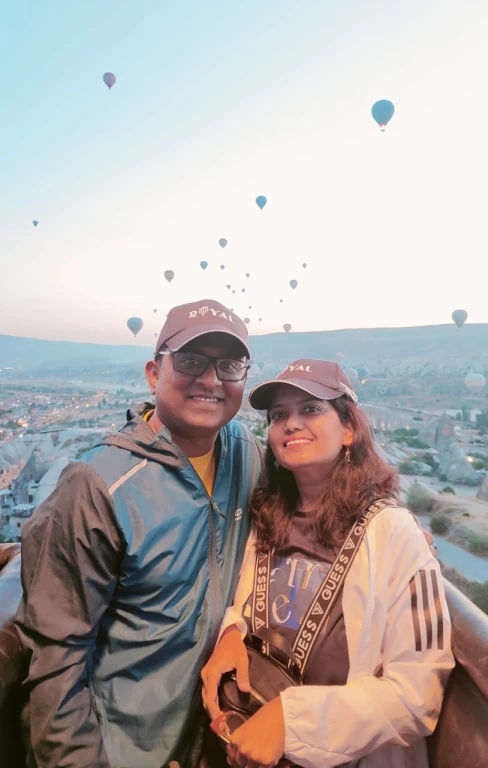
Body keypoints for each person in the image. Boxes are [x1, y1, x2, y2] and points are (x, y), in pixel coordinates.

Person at [15, 299, 263, 768]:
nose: (211, 380)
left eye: (229, 366)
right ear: (154, 373)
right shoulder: (96, 485)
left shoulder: (246, 453)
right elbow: (55, 663)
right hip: (119, 750)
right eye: (191, 361)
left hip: (204, 740)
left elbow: (304, 506)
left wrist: (381, 521)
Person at [201, 359, 454, 768]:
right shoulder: (269, 515)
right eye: (279, 415)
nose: (291, 424)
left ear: (349, 428)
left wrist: (292, 720)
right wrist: (232, 630)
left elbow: (417, 695)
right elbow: (253, 604)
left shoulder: (393, 532)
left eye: (311, 409)